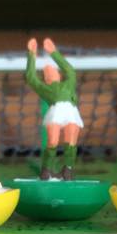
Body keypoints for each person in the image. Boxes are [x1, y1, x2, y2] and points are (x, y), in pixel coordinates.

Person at [25, 37, 82, 180]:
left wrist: (53, 52)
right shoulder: (44, 88)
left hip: (70, 112)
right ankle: (46, 169)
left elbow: (70, 70)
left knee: (71, 141)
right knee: (52, 141)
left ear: (58, 73)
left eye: (52, 70)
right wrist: (31, 55)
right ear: (45, 78)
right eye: (46, 72)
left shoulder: (68, 84)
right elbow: (30, 77)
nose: (50, 72)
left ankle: (68, 169)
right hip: (56, 112)